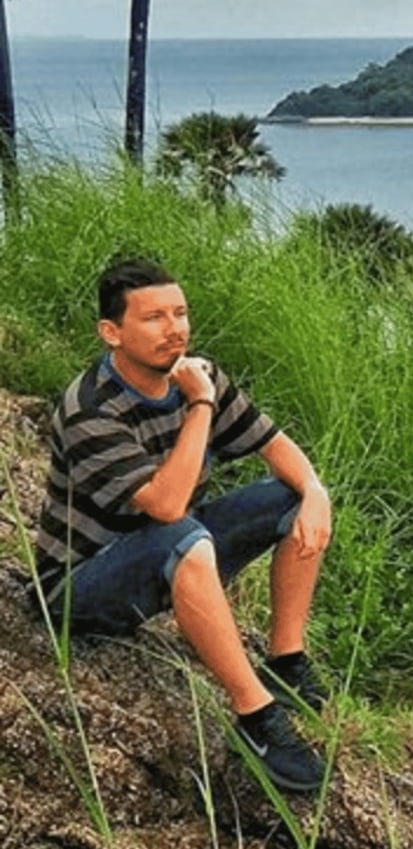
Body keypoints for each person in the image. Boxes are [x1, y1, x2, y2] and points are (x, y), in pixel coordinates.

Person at [31, 258, 333, 792]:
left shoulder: (202, 375)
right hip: (81, 586)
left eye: (181, 313)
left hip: (169, 549)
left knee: (288, 497)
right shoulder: (90, 410)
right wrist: (199, 406)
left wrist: (315, 491)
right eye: (153, 318)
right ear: (112, 333)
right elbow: (167, 507)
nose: (175, 329)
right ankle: (256, 719)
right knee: (183, 534)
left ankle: (285, 662)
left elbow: (273, 444)